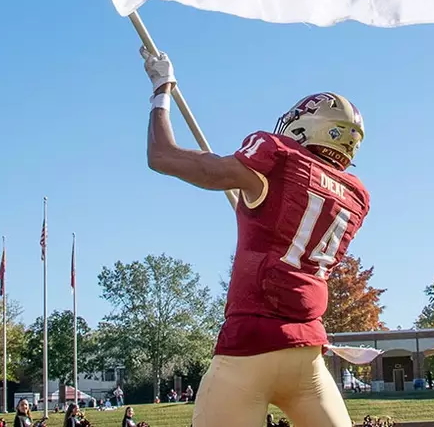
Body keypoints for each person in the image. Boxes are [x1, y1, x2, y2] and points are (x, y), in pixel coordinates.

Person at [140, 45, 368, 427]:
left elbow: (162, 156)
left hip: (249, 351)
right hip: (307, 356)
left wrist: (161, 89)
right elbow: (289, 221)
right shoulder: (356, 195)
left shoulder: (277, 155)